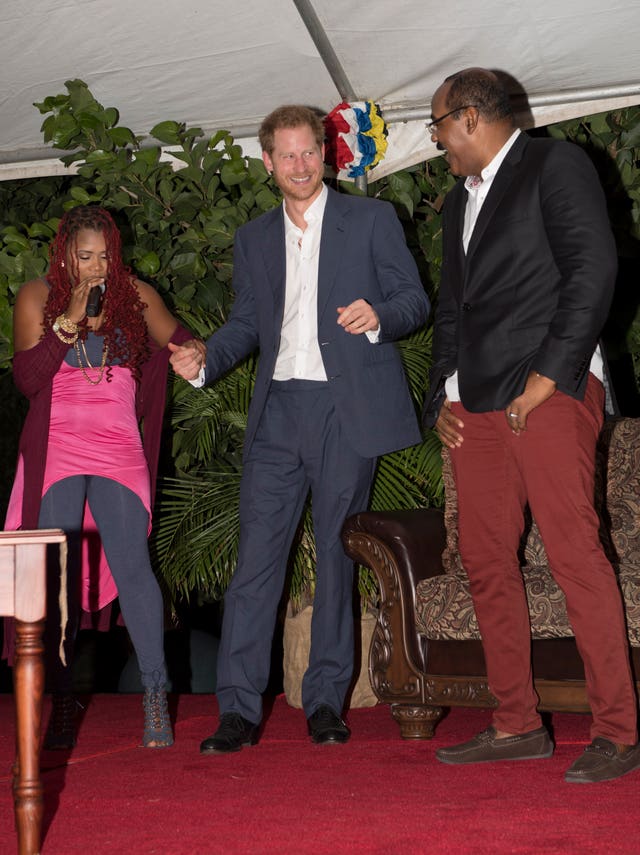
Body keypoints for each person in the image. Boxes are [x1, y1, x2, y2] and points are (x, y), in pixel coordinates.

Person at [169, 104, 430, 754]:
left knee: (337, 561)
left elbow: (414, 299)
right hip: (278, 410)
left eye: (309, 151)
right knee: (257, 561)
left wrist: (377, 316)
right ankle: (236, 710)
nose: (300, 164)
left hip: (346, 409)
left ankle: (324, 703)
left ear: (326, 153)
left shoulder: (370, 220)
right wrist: (207, 357)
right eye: (286, 154)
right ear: (267, 162)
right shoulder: (255, 238)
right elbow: (247, 322)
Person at [422, 67, 640, 783]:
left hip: (549, 392)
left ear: (472, 118)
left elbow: (592, 266)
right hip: (476, 406)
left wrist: (553, 373)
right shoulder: (459, 201)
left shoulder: (556, 164)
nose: (437, 144)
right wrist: (442, 400)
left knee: (576, 553)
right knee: (486, 561)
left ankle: (618, 730)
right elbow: (452, 307)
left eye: (438, 128)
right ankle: (516, 722)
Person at [4, 205, 202, 749]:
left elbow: (183, 343)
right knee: (57, 577)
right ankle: (62, 698)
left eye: (105, 257)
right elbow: (27, 379)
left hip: (117, 445)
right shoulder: (37, 297)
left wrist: (196, 350)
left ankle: (156, 694)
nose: (96, 268)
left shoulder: (135, 297)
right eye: (84, 256)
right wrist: (67, 321)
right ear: (65, 253)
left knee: (133, 565)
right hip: (59, 446)